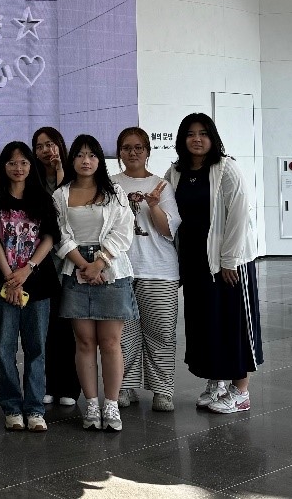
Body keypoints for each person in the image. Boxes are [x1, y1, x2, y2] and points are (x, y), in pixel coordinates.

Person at [165, 113, 261, 414]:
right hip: (195, 261)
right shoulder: (176, 172)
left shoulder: (226, 168)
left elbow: (239, 215)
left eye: (203, 133)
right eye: (190, 134)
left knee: (233, 323)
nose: (197, 139)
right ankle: (216, 381)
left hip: (227, 263)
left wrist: (229, 259)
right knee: (206, 324)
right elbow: (169, 215)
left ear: (213, 137)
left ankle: (241, 390)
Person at [54, 134, 136, 432]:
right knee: (85, 341)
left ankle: (111, 404)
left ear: (100, 160)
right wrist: (83, 265)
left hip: (111, 270)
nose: (85, 160)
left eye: (91, 155)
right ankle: (91, 403)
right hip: (75, 269)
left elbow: (124, 230)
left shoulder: (114, 192)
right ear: (71, 160)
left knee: (111, 342)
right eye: (79, 155)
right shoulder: (61, 194)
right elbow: (60, 235)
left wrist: (99, 263)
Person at [0, 141, 60, 432]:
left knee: (36, 348)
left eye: (24, 162)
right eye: (12, 163)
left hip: (37, 283)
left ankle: (35, 408)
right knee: (4, 348)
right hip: (3, 283)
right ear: (3, 166)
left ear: (31, 166)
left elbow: (50, 237)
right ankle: (12, 407)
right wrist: (10, 277)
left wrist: (27, 270)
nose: (18, 168)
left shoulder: (43, 199)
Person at [113, 127, 182, 412]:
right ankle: (124, 386)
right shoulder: (111, 184)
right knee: (123, 335)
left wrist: (154, 206)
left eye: (138, 147)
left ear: (147, 151)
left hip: (159, 270)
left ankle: (162, 390)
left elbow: (168, 230)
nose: (133, 153)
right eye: (127, 148)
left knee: (162, 332)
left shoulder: (161, 185)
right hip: (120, 270)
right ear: (119, 152)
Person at [31, 126, 79, 408]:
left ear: (60, 145)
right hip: (42, 262)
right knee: (45, 328)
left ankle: (70, 386)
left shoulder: (75, 177)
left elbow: (66, 210)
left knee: (69, 327)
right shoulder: (33, 179)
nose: (46, 150)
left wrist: (61, 170)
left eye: (50, 144)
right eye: (40, 146)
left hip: (70, 262)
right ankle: (49, 384)